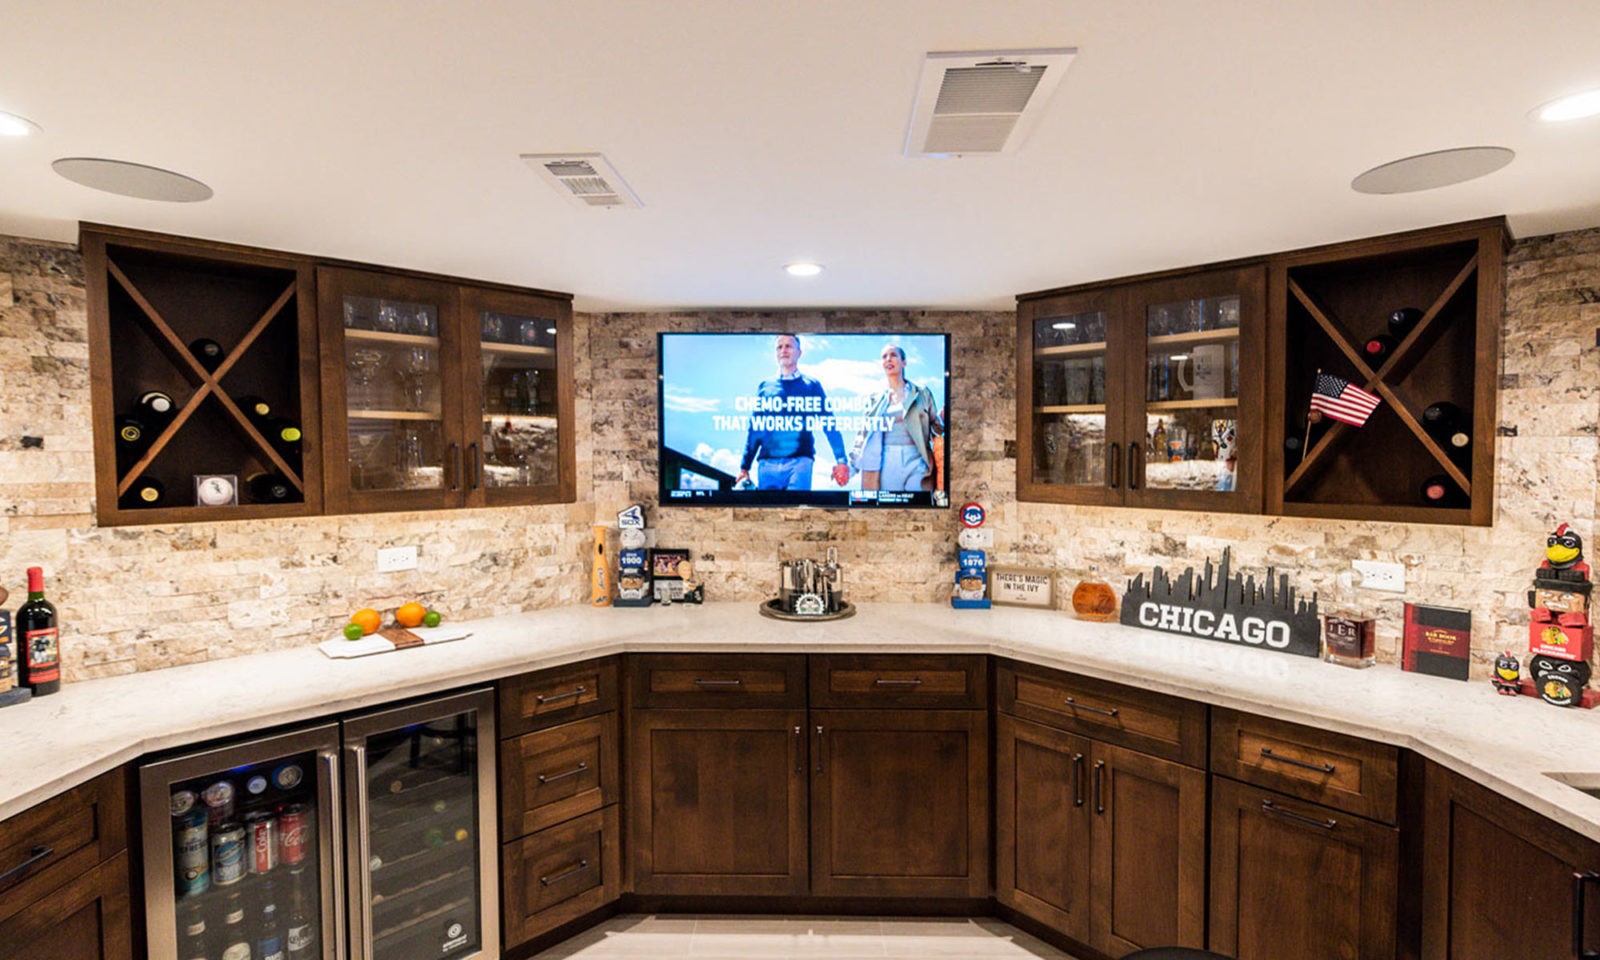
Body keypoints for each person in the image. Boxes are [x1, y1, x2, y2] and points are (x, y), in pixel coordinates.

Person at [736, 334, 850, 490]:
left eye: (788, 346)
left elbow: (829, 424)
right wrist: (744, 467)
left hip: (800, 463)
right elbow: (755, 429)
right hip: (767, 465)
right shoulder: (765, 387)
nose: (784, 350)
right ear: (776, 353)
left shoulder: (812, 385)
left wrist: (841, 460)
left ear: (799, 353)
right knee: (768, 514)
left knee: (797, 513)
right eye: (779, 347)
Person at [848, 343, 944, 492]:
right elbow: (863, 436)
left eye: (893, 355)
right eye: (884, 357)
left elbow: (936, 427)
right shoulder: (874, 400)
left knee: (917, 504)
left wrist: (943, 418)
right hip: (887, 461)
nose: (888, 359)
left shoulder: (922, 393)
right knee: (891, 507)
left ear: (904, 362)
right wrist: (850, 468)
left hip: (917, 458)